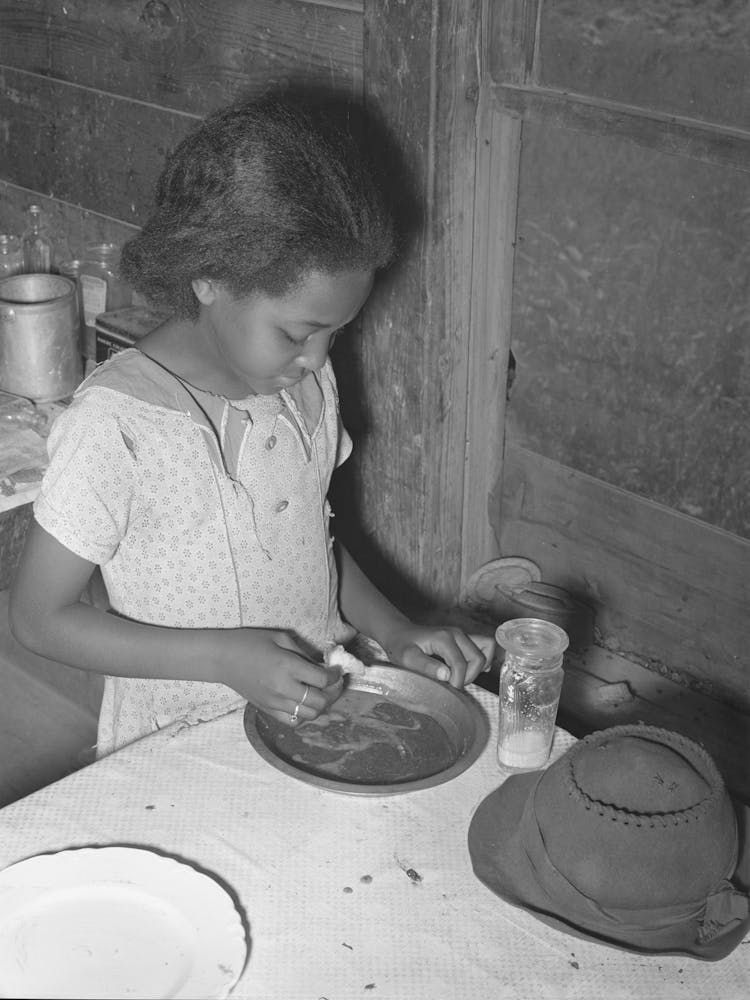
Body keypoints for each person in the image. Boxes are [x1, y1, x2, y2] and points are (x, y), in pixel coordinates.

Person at [9, 96, 493, 758]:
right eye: (298, 332)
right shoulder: (117, 428)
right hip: (176, 743)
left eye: (338, 332)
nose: (320, 359)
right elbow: (39, 621)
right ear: (208, 278)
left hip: (315, 713)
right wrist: (221, 658)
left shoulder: (303, 387)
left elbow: (306, 538)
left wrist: (395, 628)